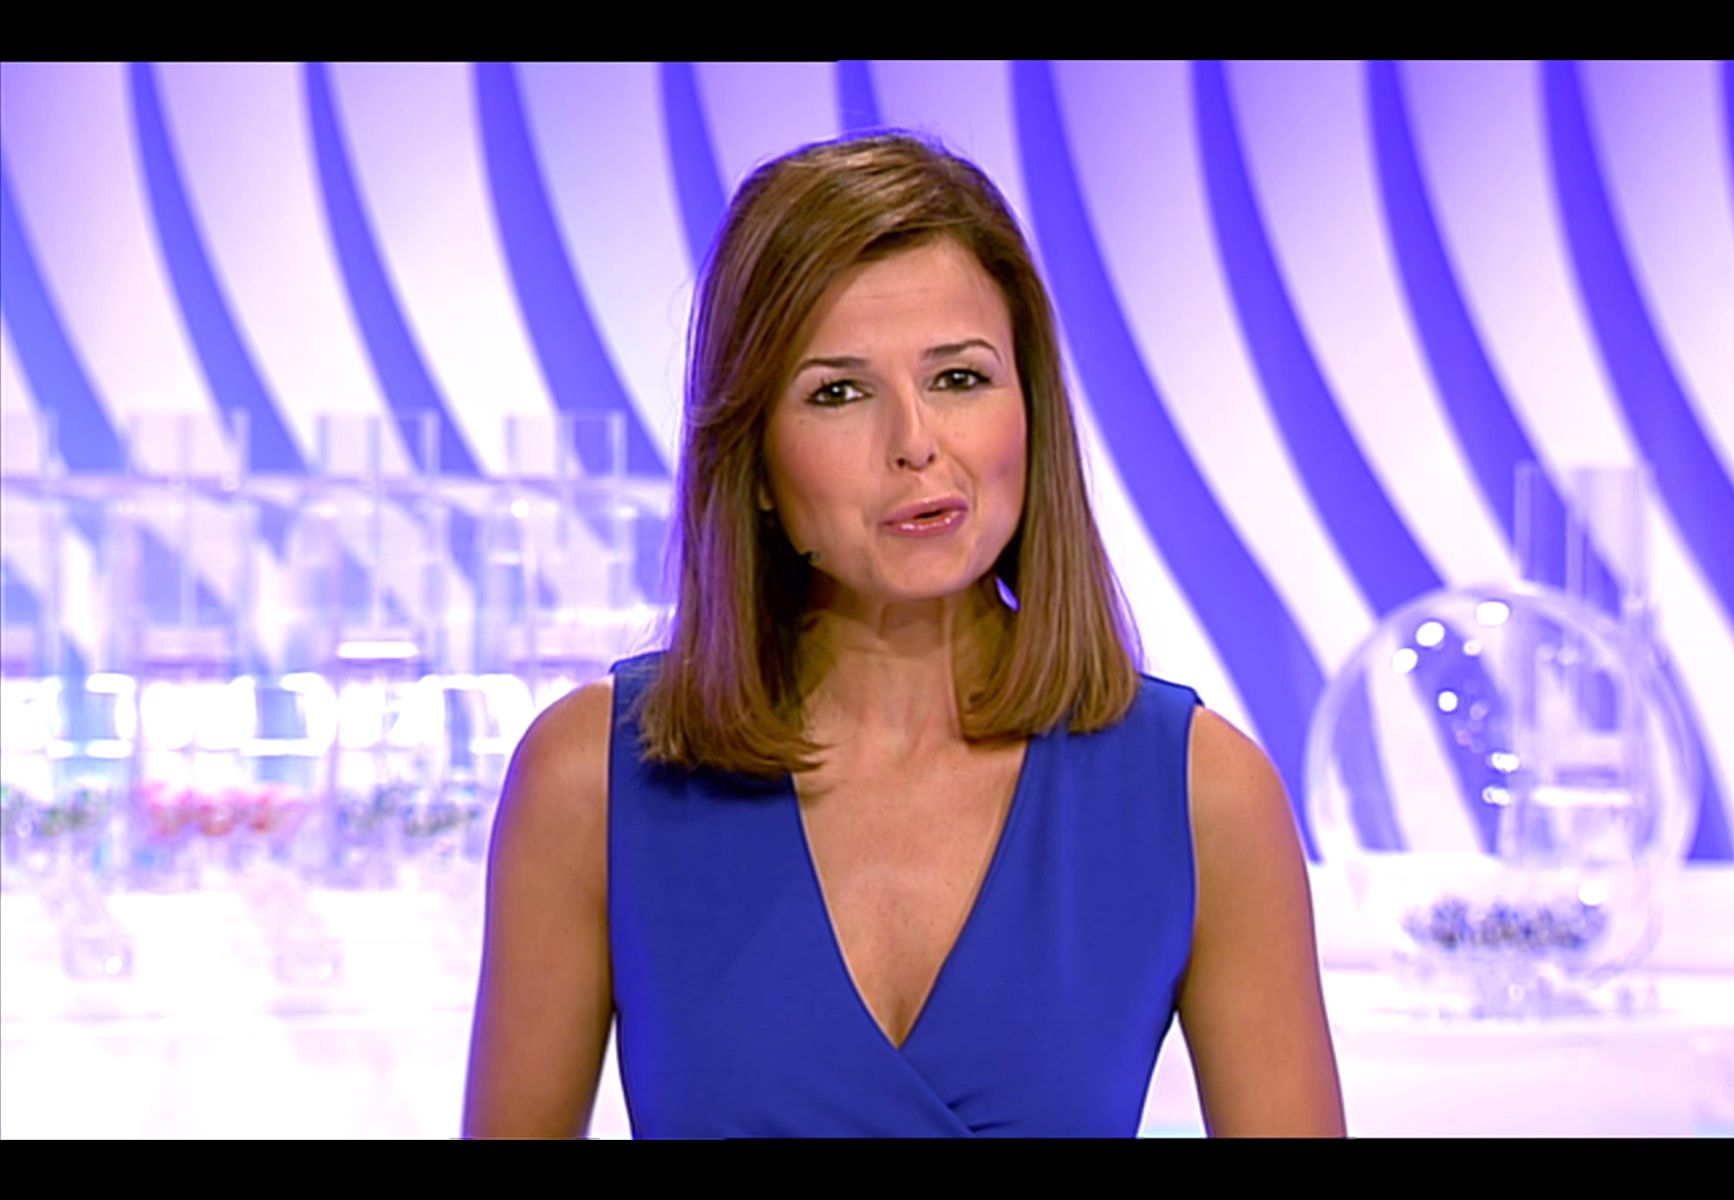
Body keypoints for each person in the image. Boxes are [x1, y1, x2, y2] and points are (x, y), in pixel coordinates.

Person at [462, 131, 1346, 1138]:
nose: (916, 444)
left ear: (1032, 413)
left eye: (959, 379)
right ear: (753, 462)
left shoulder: (1201, 795)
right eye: (839, 392)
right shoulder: (592, 781)